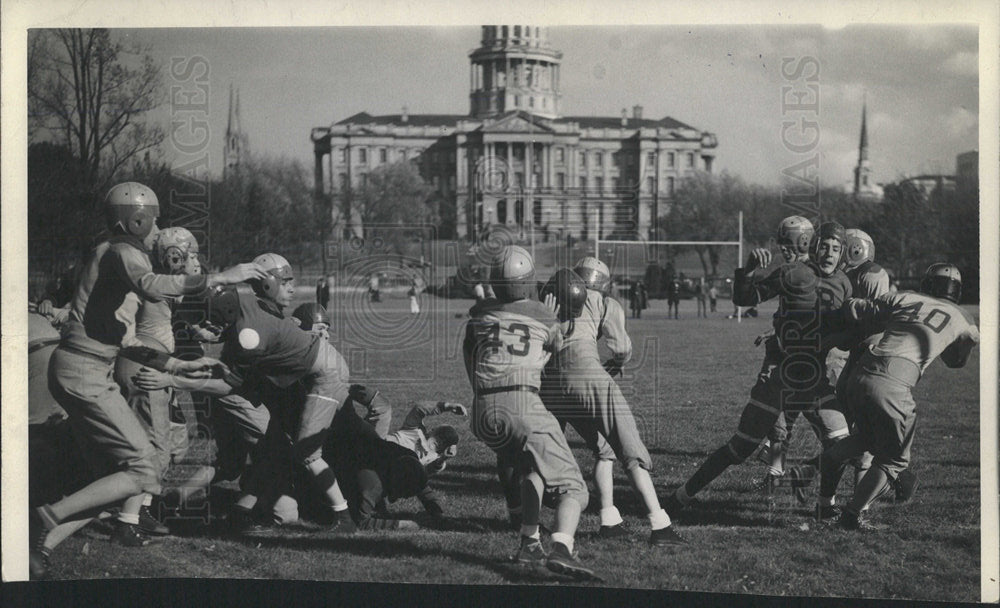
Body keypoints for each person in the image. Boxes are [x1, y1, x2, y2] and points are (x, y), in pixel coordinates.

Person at [29, 182, 266, 579]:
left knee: (117, 480)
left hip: (82, 368)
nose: (157, 233)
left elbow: (126, 342)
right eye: (153, 224)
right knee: (144, 468)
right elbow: (154, 284)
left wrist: (176, 367)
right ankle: (44, 519)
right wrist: (223, 274)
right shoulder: (123, 252)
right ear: (135, 220)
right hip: (84, 373)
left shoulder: (112, 258)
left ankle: (40, 551)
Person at [135, 280, 355, 535]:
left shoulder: (249, 331)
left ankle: (342, 517)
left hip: (297, 382)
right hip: (254, 389)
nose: (200, 329)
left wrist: (172, 379)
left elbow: (229, 383)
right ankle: (232, 510)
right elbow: (231, 383)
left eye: (206, 322)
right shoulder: (245, 321)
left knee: (281, 456)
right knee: (263, 462)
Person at [665, 221, 852, 517]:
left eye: (836, 248)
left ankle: (824, 506)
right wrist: (749, 271)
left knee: (844, 443)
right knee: (739, 449)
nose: (829, 253)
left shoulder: (844, 283)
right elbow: (744, 298)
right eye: (825, 246)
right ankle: (679, 496)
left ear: (843, 253)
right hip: (783, 377)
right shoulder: (792, 273)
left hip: (815, 380)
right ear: (815, 247)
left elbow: (840, 329)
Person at [463, 245, 596, 579]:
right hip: (523, 405)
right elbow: (558, 346)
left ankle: (529, 542)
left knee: (530, 469)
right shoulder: (542, 313)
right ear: (528, 281)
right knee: (574, 489)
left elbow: (471, 350)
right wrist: (552, 319)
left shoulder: (479, 314)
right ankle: (563, 548)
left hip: (483, 411)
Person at [813, 263, 978, 529]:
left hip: (858, 374)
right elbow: (955, 361)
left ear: (928, 284)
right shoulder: (963, 319)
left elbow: (855, 309)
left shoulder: (905, 297)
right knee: (894, 460)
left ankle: (825, 490)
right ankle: (851, 515)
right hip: (892, 384)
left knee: (866, 439)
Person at [542, 261, 685, 546]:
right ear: (604, 282)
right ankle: (660, 525)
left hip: (551, 383)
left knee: (603, 448)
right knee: (630, 448)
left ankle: (609, 518)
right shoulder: (604, 302)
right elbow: (621, 349)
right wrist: (615, 364)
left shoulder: (552, 301)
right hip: (588, 377)